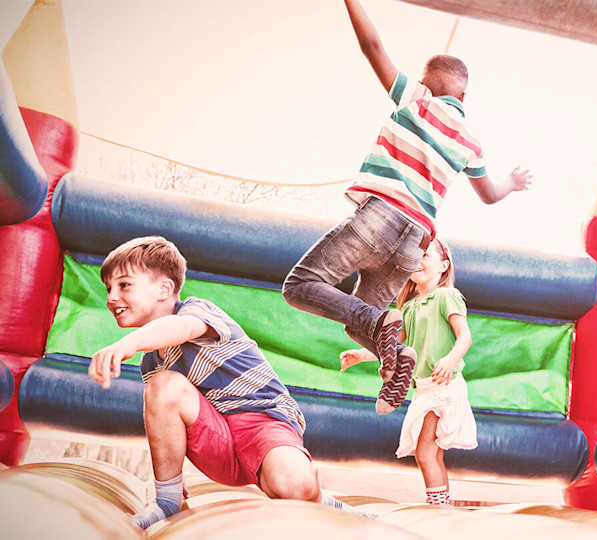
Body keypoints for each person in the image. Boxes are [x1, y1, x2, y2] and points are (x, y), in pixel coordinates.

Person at [282, 0, 531, 416]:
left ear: (425, 84)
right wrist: (512, 183)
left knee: (301, 285)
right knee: (360, 319)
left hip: (380, 219)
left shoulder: (417, 100)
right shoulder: (471, 141)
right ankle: (399, 359)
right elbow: (489, 194)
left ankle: (383, 331)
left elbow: (373, 47)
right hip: (415, 243)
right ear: (464, 96)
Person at [88, 236, 368, 529]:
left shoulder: (196, 311)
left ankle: (322, 501)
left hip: (263, 424)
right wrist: (171, 476)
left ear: (164, 289)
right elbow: (168, 422)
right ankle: (167, 501)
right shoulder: (152, 363)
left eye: (124, 285)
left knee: (293, 486)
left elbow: (180, 328)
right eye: (108, 289)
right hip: (217, 441)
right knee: (163, 386)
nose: (111, 297)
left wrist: (127, 344)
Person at [340, 238, 477, 505]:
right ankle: (443, 506)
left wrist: (450, 359)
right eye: (415, 257)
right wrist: (360, 355)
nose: (419, 261)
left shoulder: (446, 296)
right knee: (430, 454)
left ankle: (437, 508)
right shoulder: (409, 306)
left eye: (425, 255)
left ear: (443, 265)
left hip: (444, 386)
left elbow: (465, 336)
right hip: (424, 389)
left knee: (426, 452)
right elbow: (396, 346)